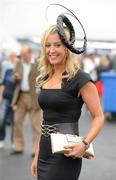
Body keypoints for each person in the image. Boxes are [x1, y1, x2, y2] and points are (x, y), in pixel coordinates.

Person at [31, 25, 104, 180]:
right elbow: (46, 119)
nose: (52, 50)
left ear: (68, 47)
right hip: (44, 151)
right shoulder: (45, 77)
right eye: (48, 45)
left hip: (65, 152)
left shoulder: (80, 79)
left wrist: (84, 145)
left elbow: (99, 117)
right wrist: (37, 155)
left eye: (57, 45)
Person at [11, 45, 42, 156]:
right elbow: (12, 78)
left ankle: (36, 149)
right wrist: (15, 77)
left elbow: (43, 78)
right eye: (21, 55)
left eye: (24, 55)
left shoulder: (38, 63)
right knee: (17, 122)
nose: (22, 57)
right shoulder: (19, 63)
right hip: (21, 96)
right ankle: (18, 146)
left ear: (29, 53)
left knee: (36, 125)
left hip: (34, 97)